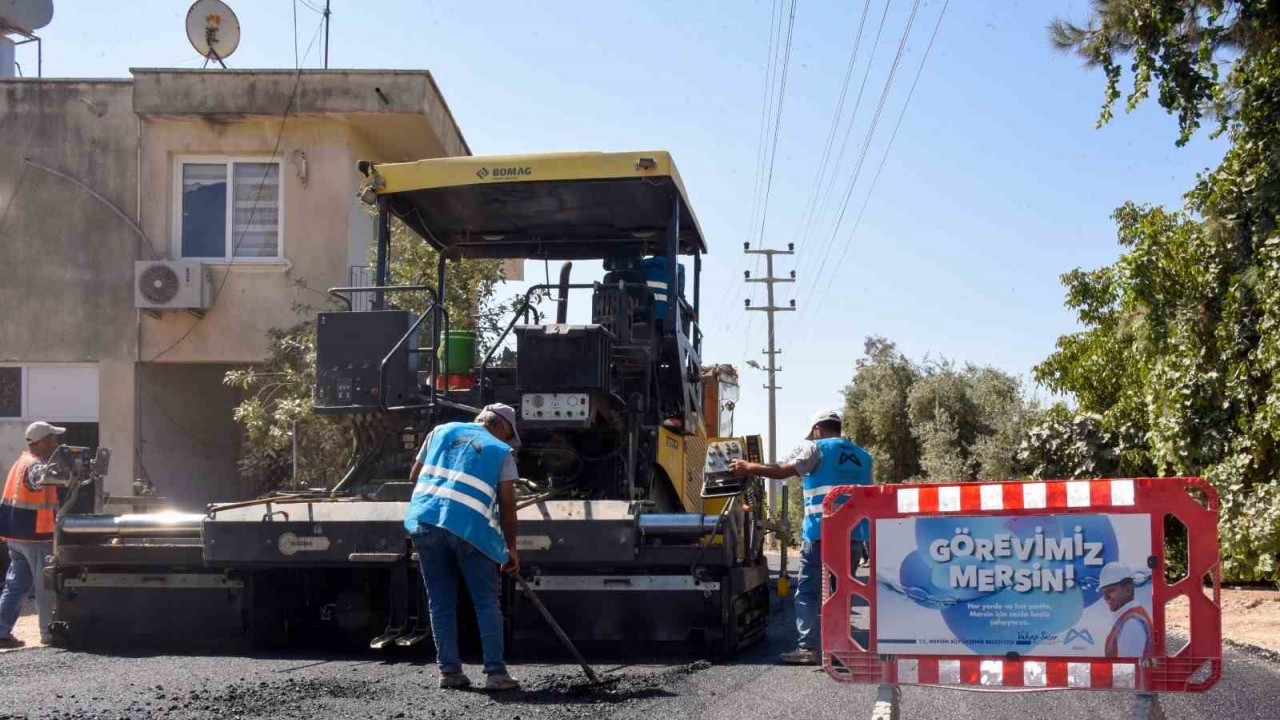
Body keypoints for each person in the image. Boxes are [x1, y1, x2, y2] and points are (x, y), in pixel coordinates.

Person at [730, 409, 872, 665]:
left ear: (818, 428)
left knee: (808, 592)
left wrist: (748, 467)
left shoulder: (816, 448)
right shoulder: (863, 457)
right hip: (854, 536)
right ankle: (838, 649)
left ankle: (809, 648)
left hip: (821, 533)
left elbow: (784, 470)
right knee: (841, 593)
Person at [404, 404, 523, 691]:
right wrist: (510, 548)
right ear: (503, 428)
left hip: (426, 521)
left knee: (440, 601)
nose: (508, 442)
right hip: (469, 529)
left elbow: (414, 476)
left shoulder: (439, 432)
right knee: (485, 601)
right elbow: (507, 504)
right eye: (509, 436)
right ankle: (496, 674)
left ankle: (451, 673)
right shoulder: (499, 450)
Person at [0, 422, 65, 649]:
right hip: (35, 536)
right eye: (53, 438)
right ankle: (48, 633)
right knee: (44, 587)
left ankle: (1, 631)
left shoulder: (21, 461)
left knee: (16, 586)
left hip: (15, 536)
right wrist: (64, 471)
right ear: (43, 441)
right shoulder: (35, 465)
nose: (57, 443)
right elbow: (38, 479)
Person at [1099, 562, 1152, 658]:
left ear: (1128, 590)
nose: (1105, 597)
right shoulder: (1127, 618)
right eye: (1104, 592)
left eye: (1110, 590)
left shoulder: (1132, 623)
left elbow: (1129, 666)